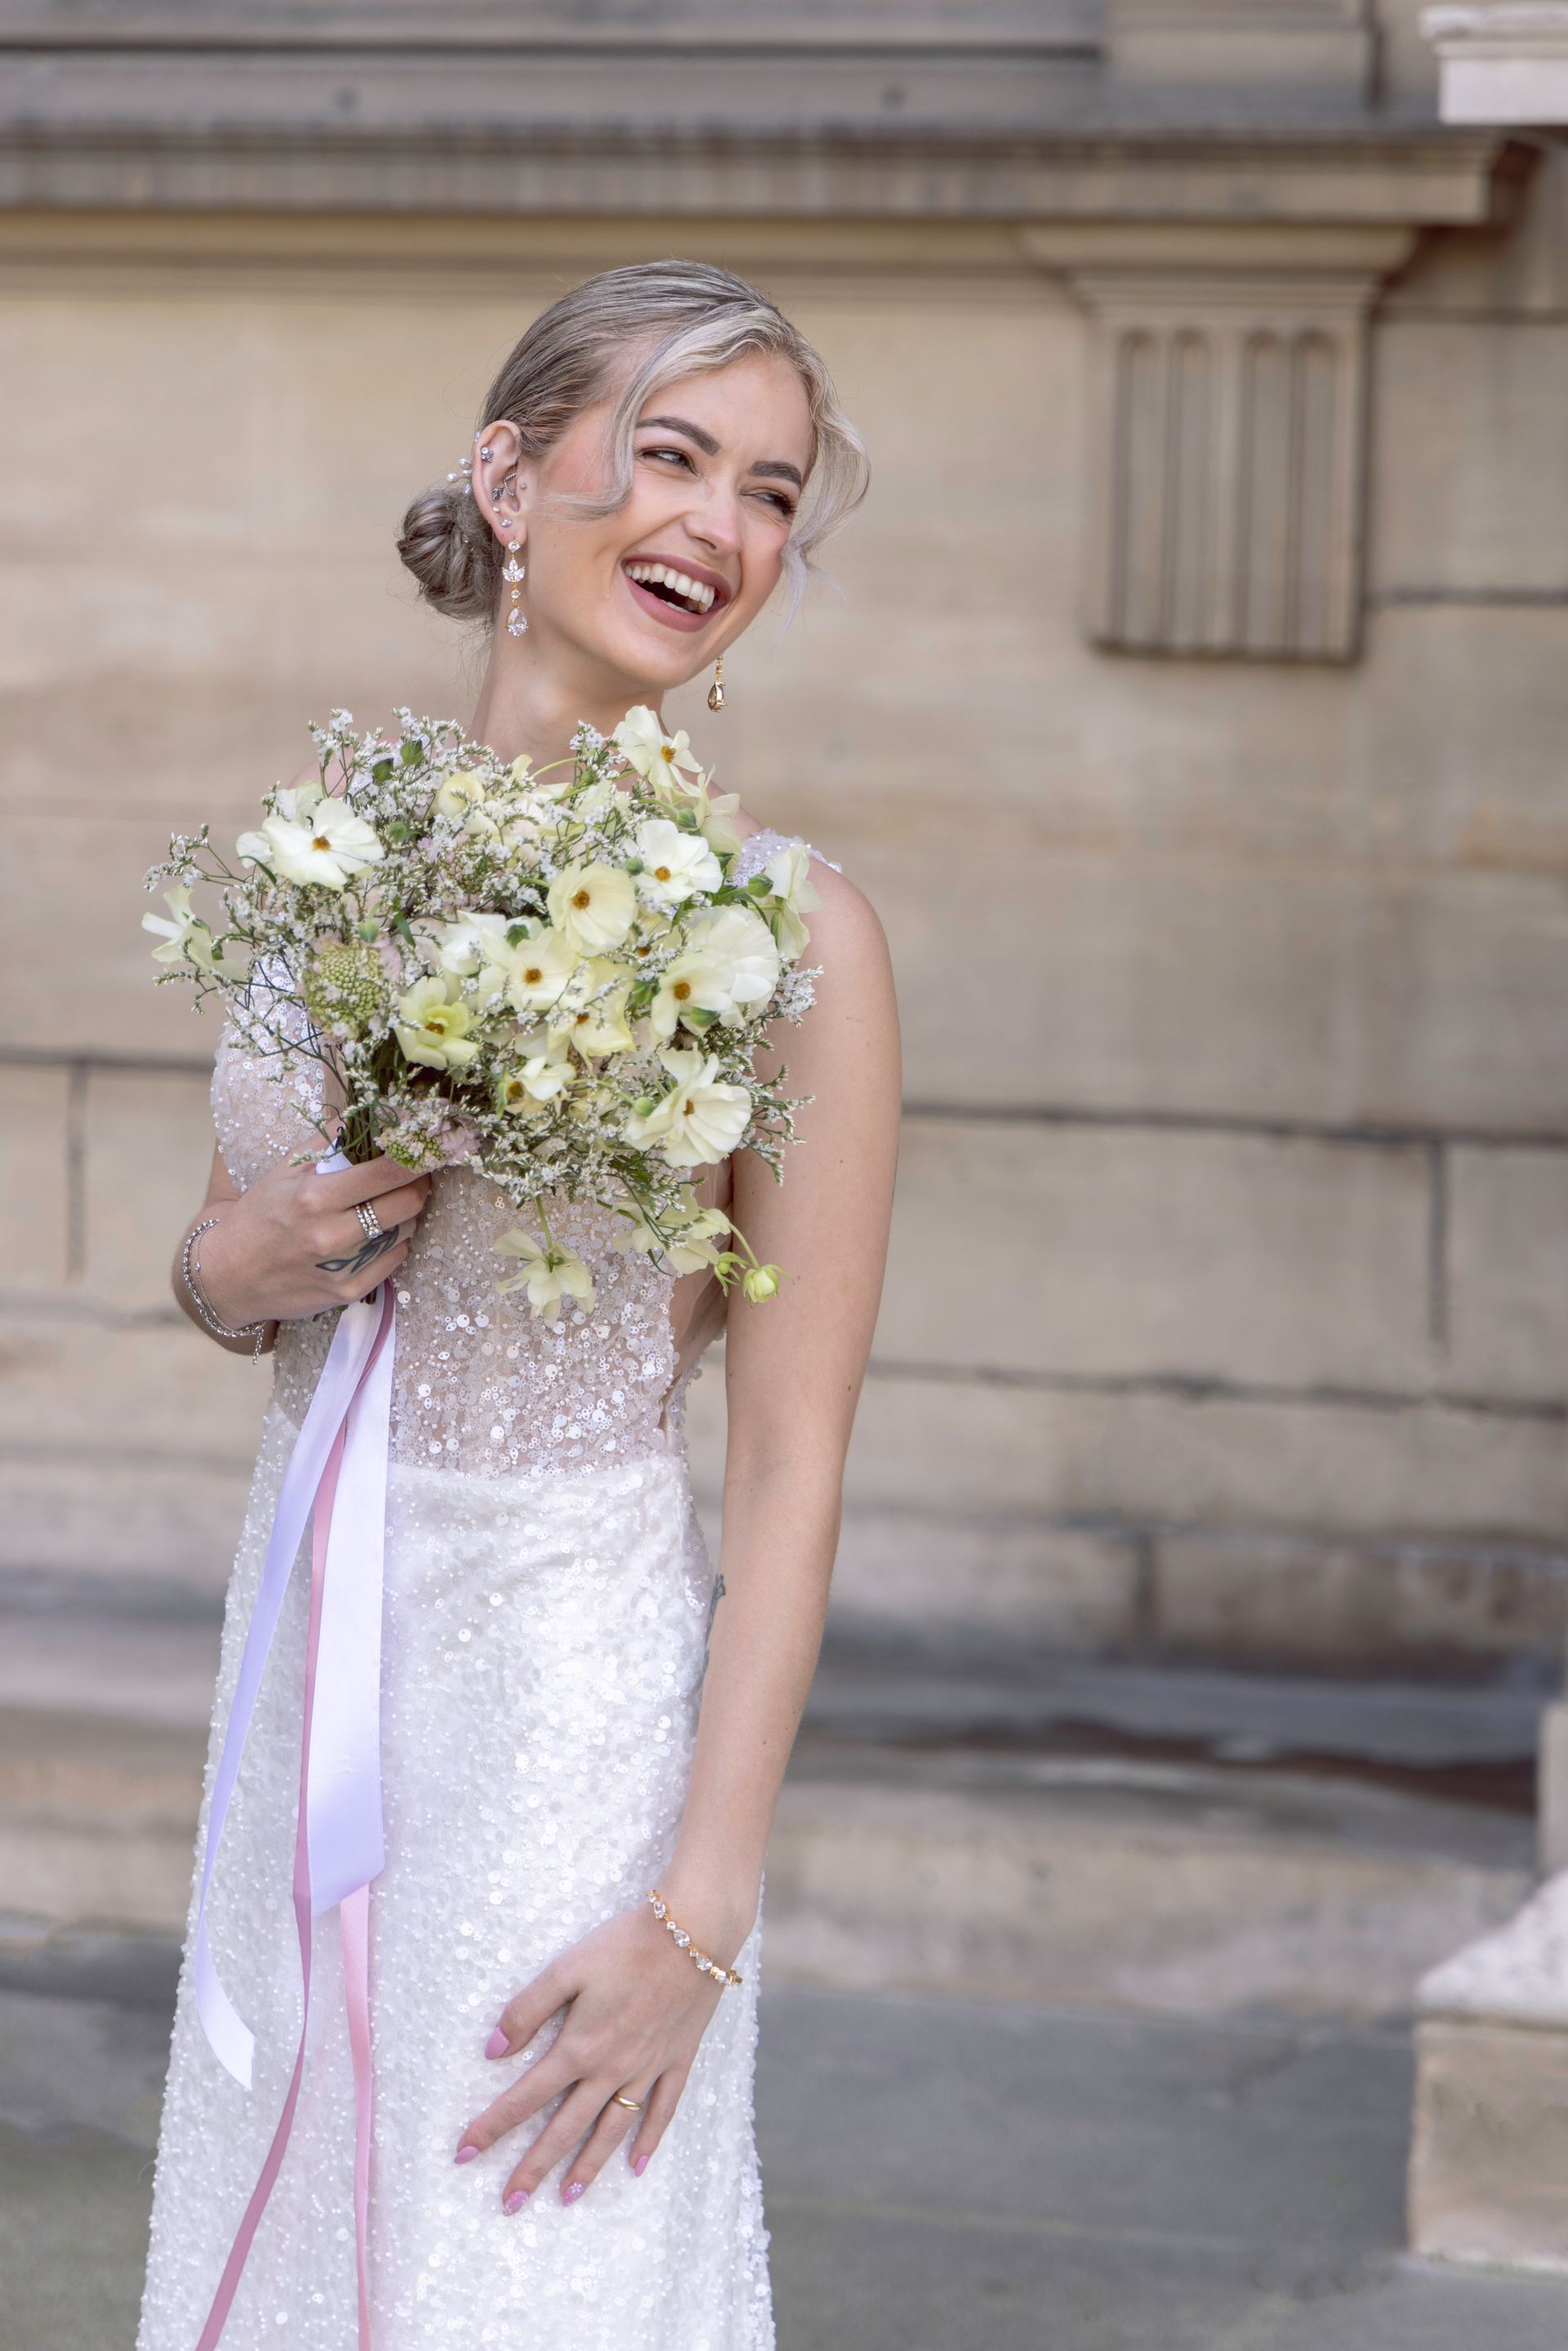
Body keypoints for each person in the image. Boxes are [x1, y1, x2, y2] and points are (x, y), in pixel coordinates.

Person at [136, 260, 901, 2349]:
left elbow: (796, 1464)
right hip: (307, 1655)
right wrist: (233, 1270)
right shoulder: (325, 868)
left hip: (565, 1687)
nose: (719, 529)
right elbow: (225, 1256)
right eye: (667, 456)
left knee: (521, 2263)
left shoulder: (792, 931)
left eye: (768, 490)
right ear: (508, 471)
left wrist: (698, 1907)